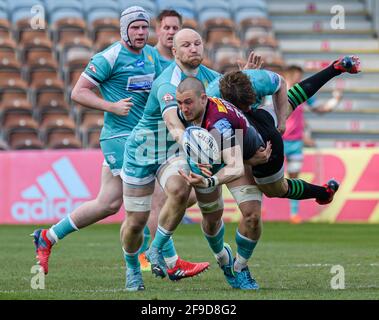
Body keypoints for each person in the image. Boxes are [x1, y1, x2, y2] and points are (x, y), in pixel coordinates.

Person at [31, 7, 202, 279]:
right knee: (155, 199)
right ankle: (170, 261)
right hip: (120, 139)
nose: (140, 33)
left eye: (144, 28)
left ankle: (47, 236)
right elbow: (78, 92)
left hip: (142, 139)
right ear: (124, 29)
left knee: (107, 203)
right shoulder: (109, 56)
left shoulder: (150, 55)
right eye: (135, 28)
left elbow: (170, 80)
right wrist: (110, 106)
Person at [282, 65, 343, 223]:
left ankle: (293, 214)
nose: (301, 80)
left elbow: (319, 109)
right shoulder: (277, 92)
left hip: (295, 142)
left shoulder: (302, 95)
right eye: (298, 76)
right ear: (291, 74)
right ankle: (255, 209)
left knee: (294, 177)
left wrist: (335, 100)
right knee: (265, 175)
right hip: (277, 140)